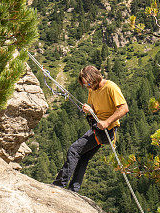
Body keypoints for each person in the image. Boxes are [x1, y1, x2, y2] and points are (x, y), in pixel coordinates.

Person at [52, 65, 128, 193]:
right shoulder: (92, 89)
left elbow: (124, 108)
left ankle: (59, 184)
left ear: (94, 79)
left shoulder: (111, 87)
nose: (87, 87)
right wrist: (89, 110)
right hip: (98, 127)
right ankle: (73, 189)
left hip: (106, 130)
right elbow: (93, 106)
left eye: (88, 84)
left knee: (74, 150)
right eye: (85, 85)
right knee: (83, 156)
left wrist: (107, 122)